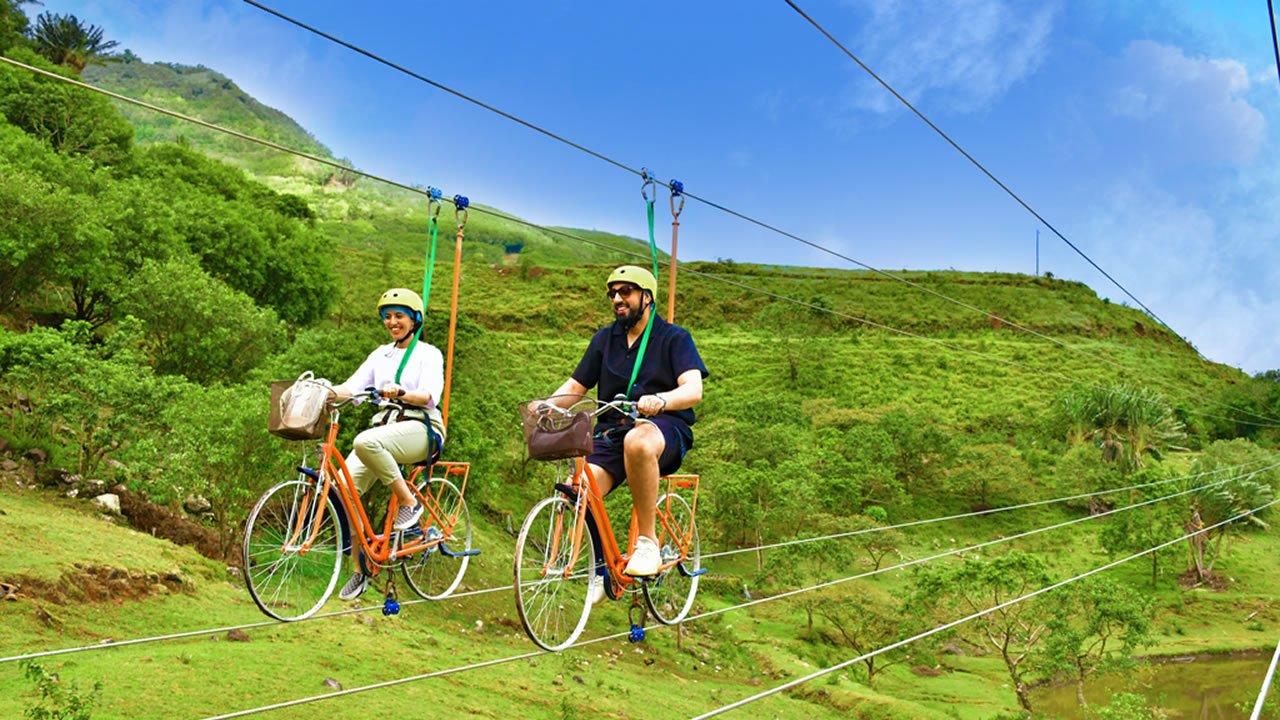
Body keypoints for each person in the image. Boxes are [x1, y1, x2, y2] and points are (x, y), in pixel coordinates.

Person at [544, 265, 707, 595]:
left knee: (639, 440)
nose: (617, 299)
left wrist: (661, 401)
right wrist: (546, 405)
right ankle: (604, 573)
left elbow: (693, 389)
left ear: (647, 298)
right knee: (581, 487)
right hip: (612, 431)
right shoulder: (605, 339)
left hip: (664, 428)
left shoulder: (675, 338)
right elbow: (577, 385)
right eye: (613, 293)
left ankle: (646, 544)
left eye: (626, 292)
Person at [329, 288, 446, 601]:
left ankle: (409, 503)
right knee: (342, 491)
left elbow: (429, 396)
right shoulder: (379, 355)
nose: (393, 322)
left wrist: (401, 394)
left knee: (364, 441)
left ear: (414, 320)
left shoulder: (429, 353)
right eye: (388, 317)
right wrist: (324, 392)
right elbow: (350, 388)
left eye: (399, 316)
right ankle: (361, 569)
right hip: (386, 429)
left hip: (422, 428)